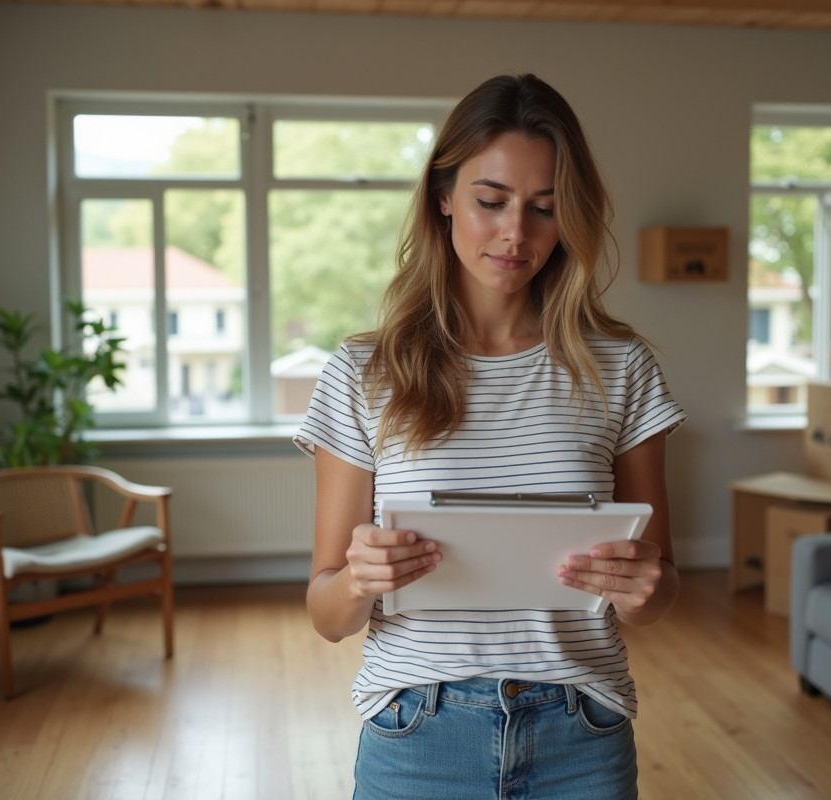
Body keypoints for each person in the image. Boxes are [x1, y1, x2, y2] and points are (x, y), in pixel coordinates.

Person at [294, 73, 686, 800]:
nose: (516, 233)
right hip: (417, 736)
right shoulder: (361, 372)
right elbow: (326, 615)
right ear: (443, 195)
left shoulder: (622, 367)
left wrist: (642, 588)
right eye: (490, 201)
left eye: (545, 209)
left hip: (584, 736)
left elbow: (659, 593)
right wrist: (358, 580)